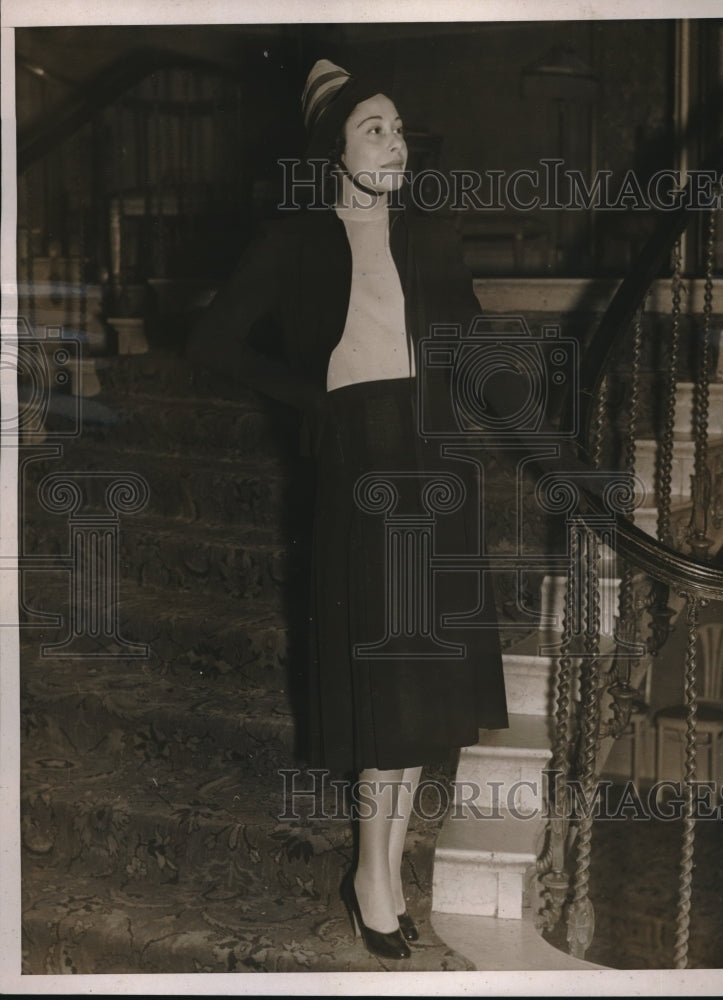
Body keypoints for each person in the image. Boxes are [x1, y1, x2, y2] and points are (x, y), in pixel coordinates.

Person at [187, 59, 509, 961]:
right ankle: (373, 876)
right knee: (386, 690)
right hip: (360, 460)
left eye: (399, 126)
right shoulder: (295, 239)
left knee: (421, 685)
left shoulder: (428, 231)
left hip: (433, 456)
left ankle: (384, 868)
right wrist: (314, 398)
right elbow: (212, 341)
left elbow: (473, 336)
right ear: (333, 149)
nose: (395, 142)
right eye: (374, 127)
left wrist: (540, 423)